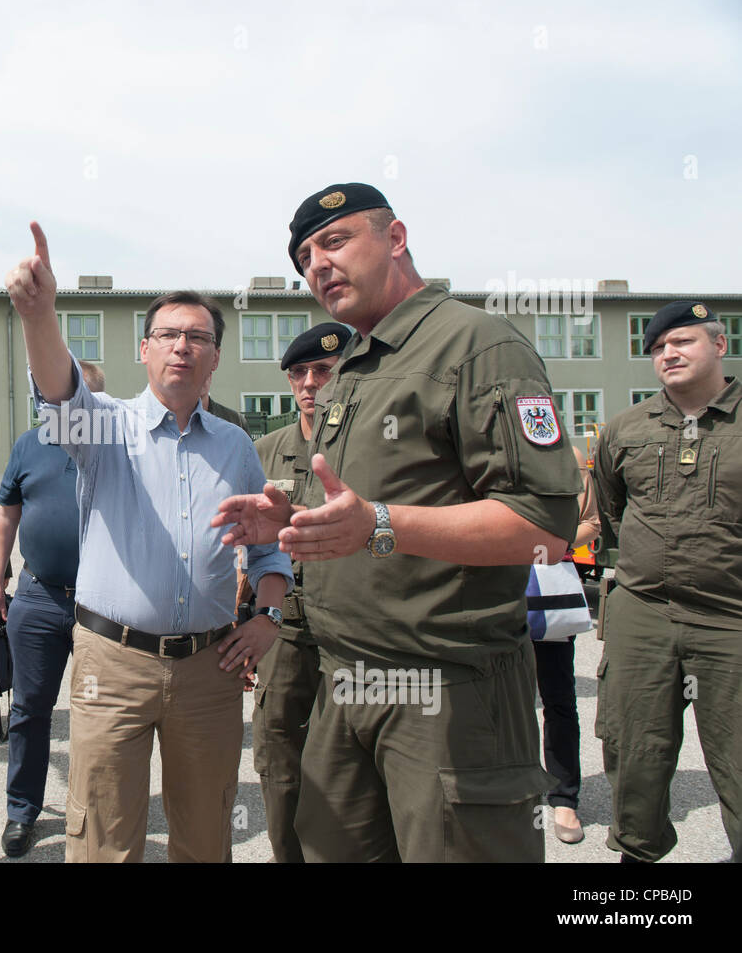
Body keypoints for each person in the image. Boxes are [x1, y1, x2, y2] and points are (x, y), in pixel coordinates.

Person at [213, 182, 581, 862]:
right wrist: (291, 522)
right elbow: (364, 509)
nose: (317, 265)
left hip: (446, 687)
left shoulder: (476, 345)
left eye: (334, 241)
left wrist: (380, 523)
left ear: (396, 237)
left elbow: (544, 528)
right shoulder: (352, 365)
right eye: (303, 258)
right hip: (344, 678)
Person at [6, 223, 293, 863]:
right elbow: (58, 392)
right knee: (104, 836)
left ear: (216, 356)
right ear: (144, 349)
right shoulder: (106, 426)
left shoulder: (237, 447)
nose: (183, 348)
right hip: (113, 665)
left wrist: (270, 616)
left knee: (204, 834)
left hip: (211, 670)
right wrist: (39, 315)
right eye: (169, 335)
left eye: (199, 338)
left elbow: (270, 551)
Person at [592, 300, 741, 864]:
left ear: (719, 345)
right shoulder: (625, 429)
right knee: (633, 752)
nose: (668, 354)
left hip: (732, 617)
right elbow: (609, 515)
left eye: (683, 342)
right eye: (656, 348)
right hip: (642, 612)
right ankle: (638, 869)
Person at [0, 360, 106, 858]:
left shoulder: (116, 446)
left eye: (70, 400)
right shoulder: (28, 446)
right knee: (29, 709)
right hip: (38, 597)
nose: (56, 408)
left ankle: (93, 807)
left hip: (104, 605)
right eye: (49, 401)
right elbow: (5, 514)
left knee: (102, 713)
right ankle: (21, 811)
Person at [249, 321, 350, 862]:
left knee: (349, 761)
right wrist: (238, 626)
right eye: (298, 374)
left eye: (322, 371)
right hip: (284, 628)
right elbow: (239, 549)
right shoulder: (264, 451)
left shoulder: (367, 449)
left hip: (353, 631)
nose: (309, 383)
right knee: (278, 753)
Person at [536, 445, 601, 845]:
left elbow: (591, 521)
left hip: (549, 590)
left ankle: (564, 797)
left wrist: (550, 546)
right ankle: (507, 789)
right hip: (491, 589)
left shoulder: (568, 455)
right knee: (493, 696)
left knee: (558, 698)